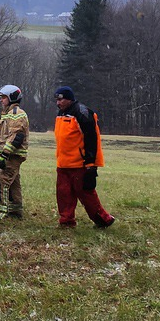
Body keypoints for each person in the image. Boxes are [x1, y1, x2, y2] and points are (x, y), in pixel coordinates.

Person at [54, 86, 116, 229]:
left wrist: (90, 164)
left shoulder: (83, 113)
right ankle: (66, 221)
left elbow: (92, 140)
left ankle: (103, 219)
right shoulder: (61, 113)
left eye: (61, 100)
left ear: (69, 99)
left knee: (86, 194)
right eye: (57, 100)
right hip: (63, 163)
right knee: (63, 194)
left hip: (79, 164)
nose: (58, 103)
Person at [0, 84, 29, 219]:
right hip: (8, 155)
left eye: (4, 97)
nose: (1, 100)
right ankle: (15, 211)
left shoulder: (16, 114)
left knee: (1, 184)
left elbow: (15, 137)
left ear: (12, 98)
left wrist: (4, 155)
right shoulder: (7, 114)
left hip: (12, 156)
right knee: (14, 184)